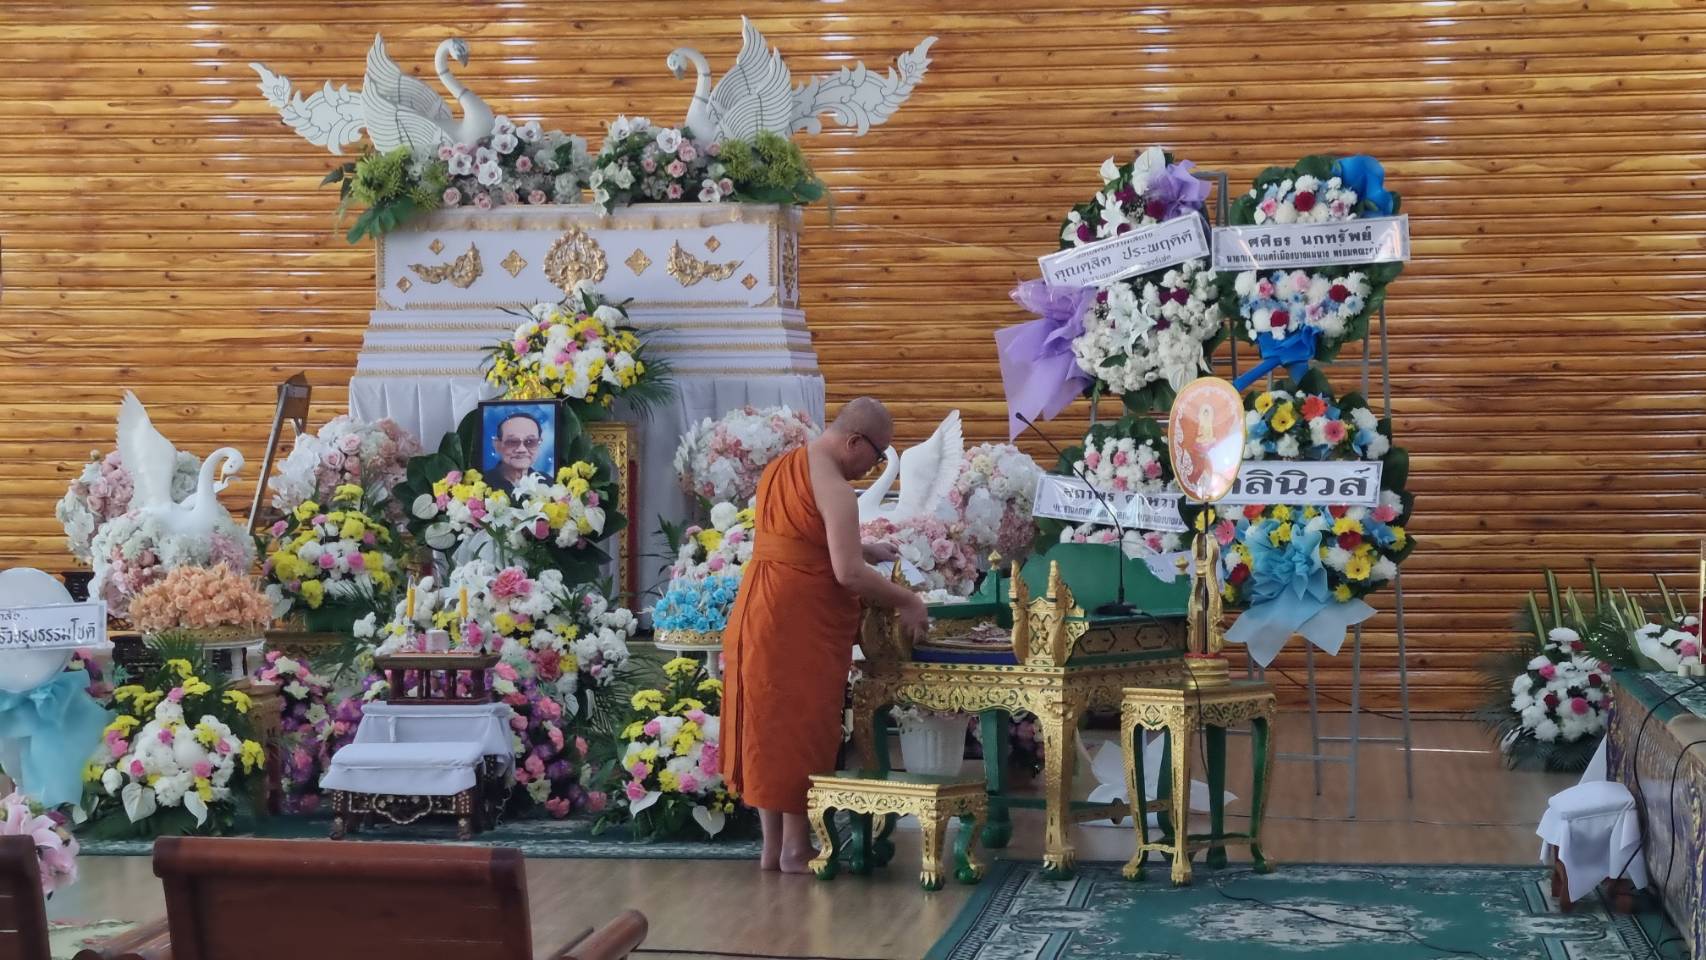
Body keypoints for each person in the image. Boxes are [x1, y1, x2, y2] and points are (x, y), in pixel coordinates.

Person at [722, 396, 929, 873]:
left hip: (759, 608)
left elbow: (801, 540)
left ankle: (772, 848)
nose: (873, 468)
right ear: (854, 441)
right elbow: (847, 574)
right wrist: (908, 601)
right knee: (800, 727)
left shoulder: (782, 467)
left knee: (767, 726)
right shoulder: (835, 487)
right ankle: (796, 848)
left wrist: (867, 548)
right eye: (877, 456)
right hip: (798, 621)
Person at [486, 412, 546, 497]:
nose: (521, 450)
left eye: (530, 442)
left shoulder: (548, 483)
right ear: (497, 445)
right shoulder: (482, 485)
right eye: (512, 442)